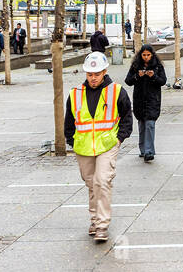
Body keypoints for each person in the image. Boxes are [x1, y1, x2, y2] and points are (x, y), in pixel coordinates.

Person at [65, 53, 132, 243]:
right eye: (89, 74)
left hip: (107, 145)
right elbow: (69, 122)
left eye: (96, 74)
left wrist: (119, 139)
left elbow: (127, 116)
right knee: (91, 184)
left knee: (102, 181)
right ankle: (94, 221)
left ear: (104, 72)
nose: (93, 78)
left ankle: (102, 225)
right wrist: (71, 141)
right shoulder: (75, 94)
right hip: (84, 148)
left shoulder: (117, 91)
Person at [125, 44, 166, 162]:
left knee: (150, 124)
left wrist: (154, 76)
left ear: (152, 55)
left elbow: (163, 81)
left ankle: (149, 151)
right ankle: (143, 150)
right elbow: (128, 81)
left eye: (148, 55)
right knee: (142, 125)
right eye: (144, 55)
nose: (146, 57)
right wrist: (138, 75)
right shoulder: (135, 66)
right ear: (140, 55)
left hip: (153, 100)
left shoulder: (158, 66)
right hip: (139, 100)